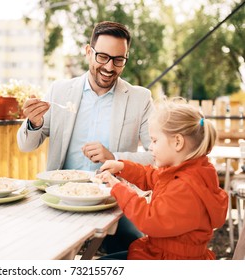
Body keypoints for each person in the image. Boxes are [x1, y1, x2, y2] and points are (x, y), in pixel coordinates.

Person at [17, 21, 154, 253]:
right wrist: (34, 122)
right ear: (88, 51)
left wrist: (116, 158)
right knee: (29, 247)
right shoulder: (59, 91)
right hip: (60, 198)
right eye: (102, 57)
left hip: (114, 201)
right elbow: (26, 145)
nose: (109, 67)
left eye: (118, 60)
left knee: (137, 249)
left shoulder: (140, 98)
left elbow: (157, 157)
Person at [96, 99, 228, 259]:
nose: (150, 146)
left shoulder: (185, 187)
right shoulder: (189, 172)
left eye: (155, 140)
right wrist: (122, 167)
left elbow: (149, 219)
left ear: (177, 142)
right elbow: (150, 176)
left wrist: (117, 187)